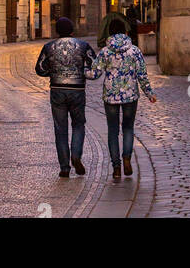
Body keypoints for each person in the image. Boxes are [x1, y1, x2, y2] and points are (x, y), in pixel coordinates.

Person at [88, 17, 156, 180]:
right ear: (125, 32)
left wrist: (80, 71)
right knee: (128, 128)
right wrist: (149, 92)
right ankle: (127, 157)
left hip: (110, 96)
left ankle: (116, 167)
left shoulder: (105, 51)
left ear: (109, 33)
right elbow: (142, 74)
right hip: (130, 95)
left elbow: (94, 74)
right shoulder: (134, 50)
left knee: (112, 131)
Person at [35, 16, 96, 178]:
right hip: (77, 90)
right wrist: (81, 73)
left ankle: (64, 167)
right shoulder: (83, 46)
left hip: (57, 89)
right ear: (72, 30)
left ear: (57, 32)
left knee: (60, 128)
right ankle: (76, 155)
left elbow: (39, 68)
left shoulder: (49, 46)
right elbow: (94, 67)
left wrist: (53, 73)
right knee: (78, 124)